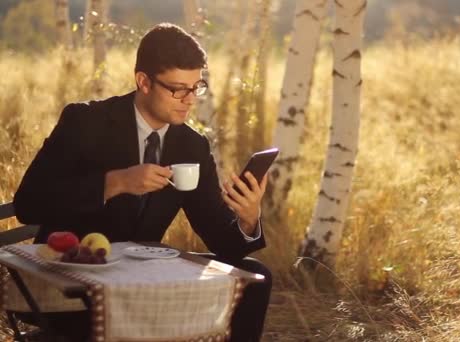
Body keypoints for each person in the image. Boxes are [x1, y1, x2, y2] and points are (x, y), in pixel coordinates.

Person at [13, 23, 271, 342]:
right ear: (143, 82)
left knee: (256, 277)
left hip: (144, 281)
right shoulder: (85, 122)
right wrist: (114, 182)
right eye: (178, 89)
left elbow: (220, 240)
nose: (190, 100)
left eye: (197, 87)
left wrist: (248, 220)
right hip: (75, 280)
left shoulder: (191, 144)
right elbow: (28, 203)